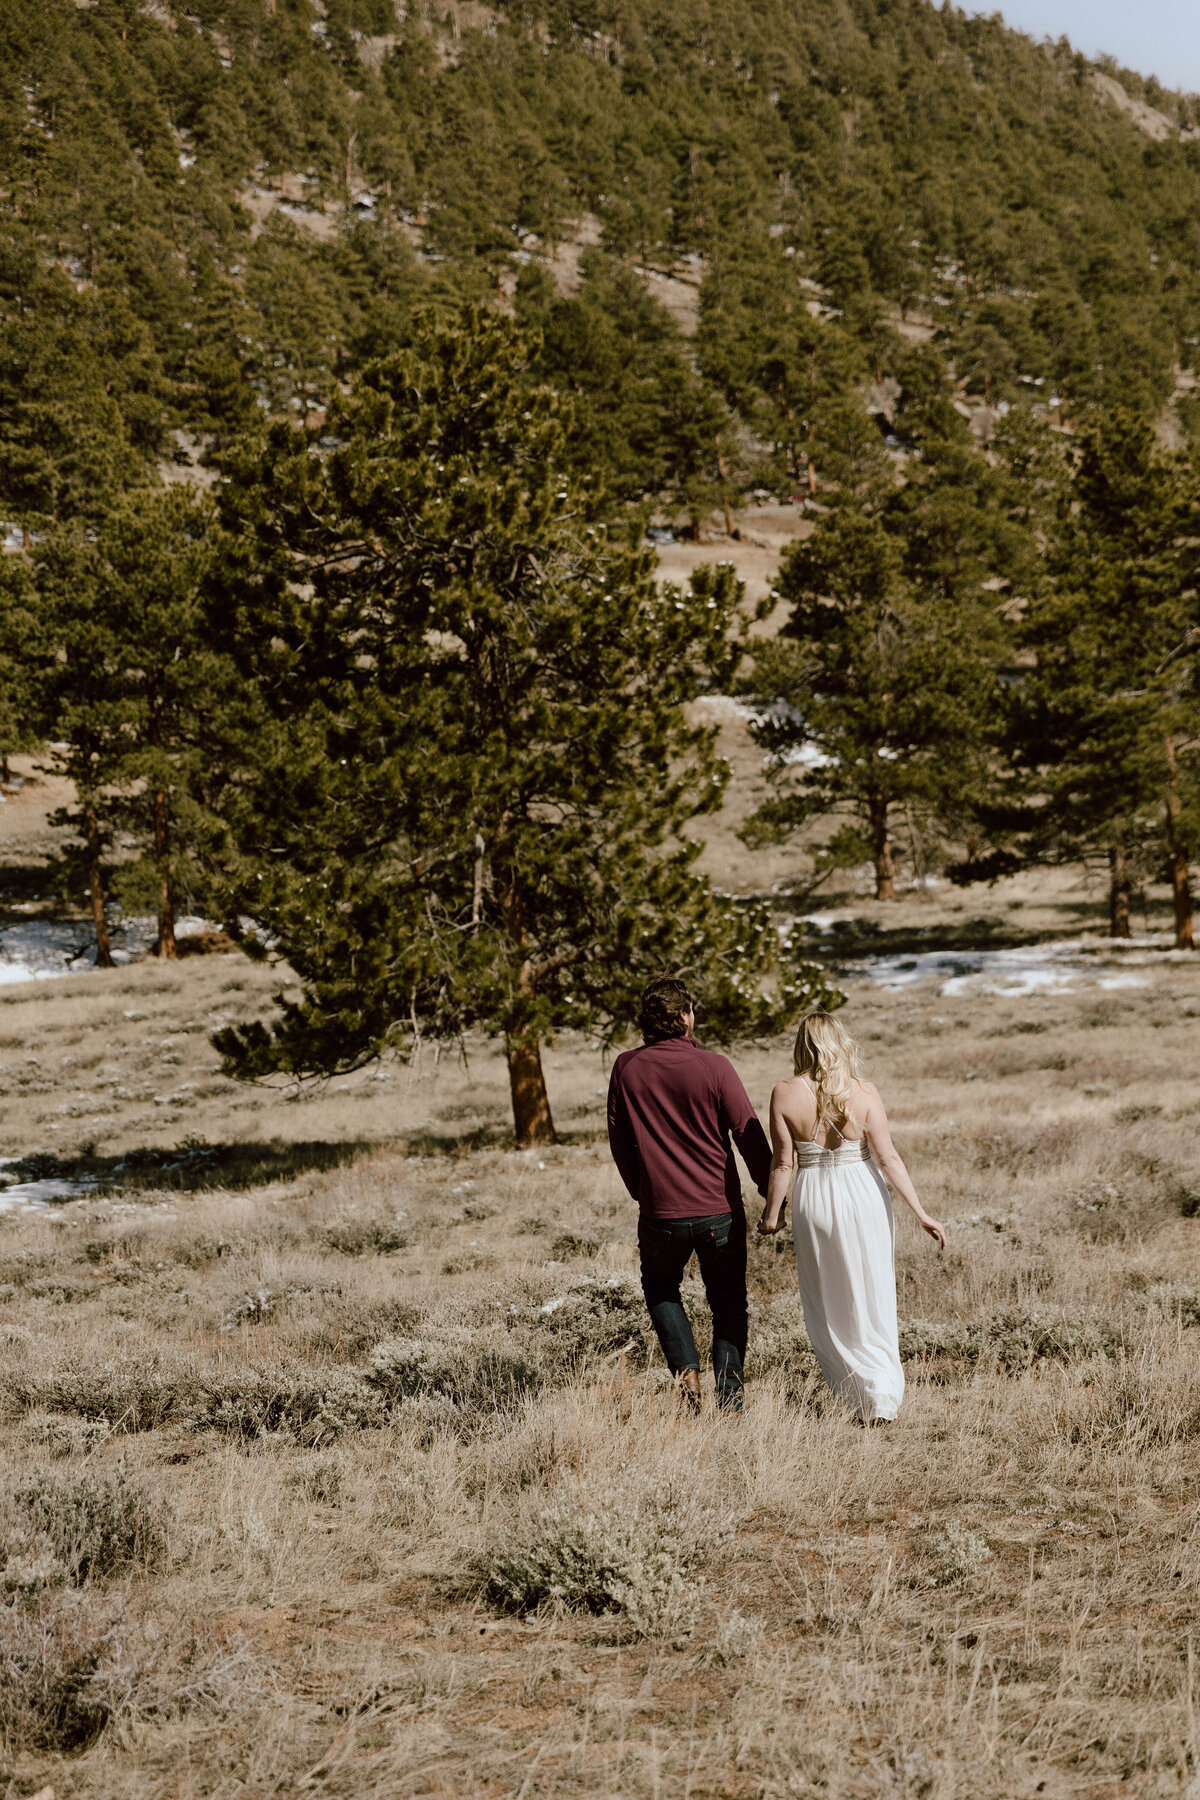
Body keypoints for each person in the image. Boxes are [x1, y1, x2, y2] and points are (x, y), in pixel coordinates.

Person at [758, 1010, 945, 1423]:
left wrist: (772, 1215)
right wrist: (922, 1213)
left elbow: (783, 1164)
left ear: (802, 1045)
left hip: (816, 1199)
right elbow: (888, 1157)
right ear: (839, 1041)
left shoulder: (784, 1093)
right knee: (873, 1290)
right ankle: (881, 1392)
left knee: (828, 1298)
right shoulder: (864, 1090)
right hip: (864, 1193)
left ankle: (856, 1393)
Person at [607, 976, 771, 1413]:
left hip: (661, 1212)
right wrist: (772, 1191)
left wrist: (642, 1193)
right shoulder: (714, 1066)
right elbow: (747, 1133)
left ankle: (687, 1375)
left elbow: (620, 1141)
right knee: (729, 1302)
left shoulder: (625, 1067)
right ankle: (731, 1400)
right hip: (719, 1210)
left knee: (661, 1289)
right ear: (683, 1017)